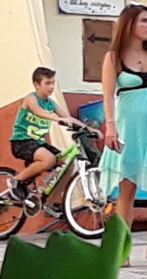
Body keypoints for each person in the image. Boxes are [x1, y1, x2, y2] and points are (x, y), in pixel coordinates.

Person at [99, 3, 147, 264]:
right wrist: (110, 126)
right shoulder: (114, 57)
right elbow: (108, 95)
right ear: (130, 24)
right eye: (144, 21)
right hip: (128, 127)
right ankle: (123, 248)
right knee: (127, 188)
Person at [9, 67, 93, 202]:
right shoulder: (30, 98)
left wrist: (89, 129)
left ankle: (51, 201)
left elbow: (68, 117)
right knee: (49, 159)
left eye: (53, 83)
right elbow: (37, 111)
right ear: (37, 85)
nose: (51, 86)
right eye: (47, 83)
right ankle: (16, 180)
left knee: (67, 164)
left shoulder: (51, 104)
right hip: (22, 141)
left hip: (38, 143)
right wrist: (56, 118)